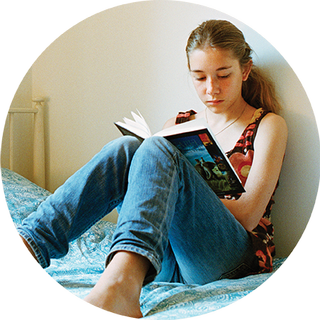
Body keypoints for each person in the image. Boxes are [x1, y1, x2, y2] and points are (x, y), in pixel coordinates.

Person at [13, 20, 287, 318]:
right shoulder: (179, 125)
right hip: (168, 258)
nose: (212, 89)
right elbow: (150, 198)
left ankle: (121, 283)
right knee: (127, 149)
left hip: (229, 258)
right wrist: (171, 185)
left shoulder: (268, 125)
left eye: (224, 75)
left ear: (244, 71)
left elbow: (248, 216)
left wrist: (187, 189)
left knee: (157, 149)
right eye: (199, 77)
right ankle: (29, 244)